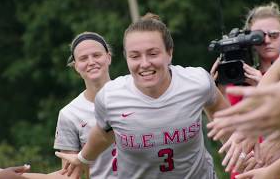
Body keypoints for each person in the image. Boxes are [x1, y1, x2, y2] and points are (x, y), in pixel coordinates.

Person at [55, 13, 233, 179]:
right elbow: (103, 134)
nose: (145, 64)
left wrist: (238, 151)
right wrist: (83, 158)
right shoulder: (110, 97)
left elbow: (220, 112)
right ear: (126, 58)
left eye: (153, 53)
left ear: (169, 53)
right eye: (135, 56)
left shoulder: (197, 81)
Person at [210, 2, 280, 177]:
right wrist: (214, 92)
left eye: (274, 35)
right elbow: (228, 134)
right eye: (259, 36)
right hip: (247, 168)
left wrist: (264, 87)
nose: (267, 41)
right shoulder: (237, 80)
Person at [53, 31, 117, 179]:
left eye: (96, 55)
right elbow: (69, 175)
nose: (91, 62)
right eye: (83, 58)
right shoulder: (69, 114)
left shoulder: (132, 93)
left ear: (108, 58)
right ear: (76, 66)